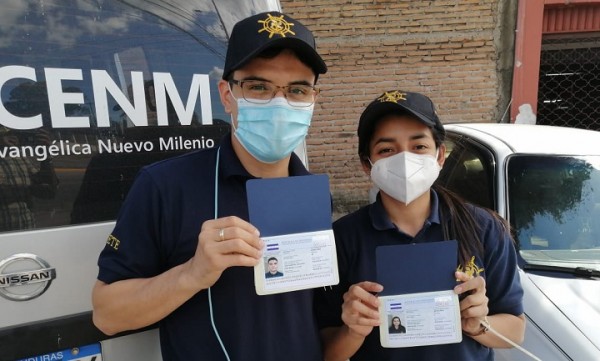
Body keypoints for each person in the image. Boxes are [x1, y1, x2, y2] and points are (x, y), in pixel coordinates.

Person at [91, 11, 327, 360]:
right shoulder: (165, 186)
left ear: (312, 100)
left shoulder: (312, 191)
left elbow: (314, 317)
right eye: (258, 87)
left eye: (297, 90)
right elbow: (107, 315)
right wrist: (192, 273)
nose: (280, 103)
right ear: (227, 94)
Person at [315, 90, 525, 361]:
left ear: (439, 155)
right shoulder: (342, 239)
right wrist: (353, 329)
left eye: (419, 147)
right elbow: (327, 351)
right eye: (386, 149)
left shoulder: (484, 228)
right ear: (367, 165)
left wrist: (478, 324)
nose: (404, 159)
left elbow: (516, 331)